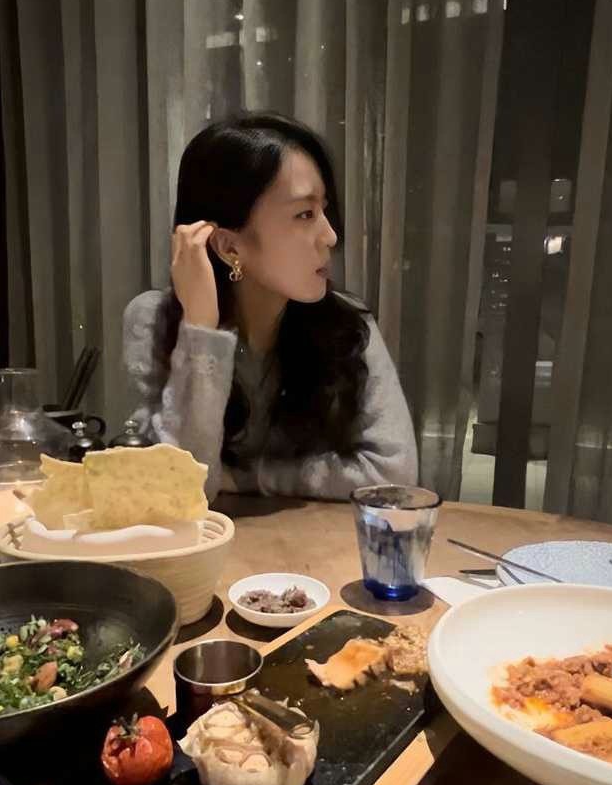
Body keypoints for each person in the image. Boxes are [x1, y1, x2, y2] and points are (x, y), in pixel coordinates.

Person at [123, 111, 417, 501]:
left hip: (316, 540)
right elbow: (185, 488)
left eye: (324, 210)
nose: (330, 235)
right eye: (305, 214)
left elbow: (393, 473)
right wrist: (200, 331)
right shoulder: (152, 320)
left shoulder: (346, 323)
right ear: (229, 247)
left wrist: (249, 477)